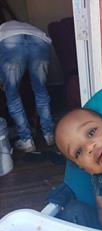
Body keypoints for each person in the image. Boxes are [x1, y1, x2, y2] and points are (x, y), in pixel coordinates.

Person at [0, 20, 55, 152]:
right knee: (41, 91)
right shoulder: (21, 25)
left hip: (9, 40)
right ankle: (50, 135)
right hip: (40, 40)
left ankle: (27, 140)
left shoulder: (3, 30)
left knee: (12, 96)